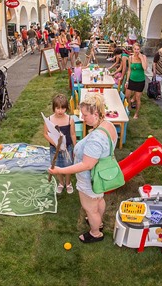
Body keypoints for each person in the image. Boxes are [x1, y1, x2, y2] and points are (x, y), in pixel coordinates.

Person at [48, 93, 117, 243]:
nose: (82, 118)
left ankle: (95, 232)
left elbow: (86, 165)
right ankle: (99, 222)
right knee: (99, 199)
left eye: (85, 115)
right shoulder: (108, 125)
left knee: (90, 208)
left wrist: (59, 171)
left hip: (89, 179)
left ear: (96, 113)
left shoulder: (96, 139)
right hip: (101, 176)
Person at [44, 94, 76, 194]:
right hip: (55, 148)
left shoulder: (70, 119)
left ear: (66, 108)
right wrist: (55, 143)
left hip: (68, 148)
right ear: (54, 108)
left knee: (68, 166)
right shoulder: (49, 120)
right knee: (56, 166)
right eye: (57, 108)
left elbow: (73, 134)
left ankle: (68, 183)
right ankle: (61, 183)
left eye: (63, 108)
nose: (60, 111)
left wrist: (75, 148)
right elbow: (45, 134)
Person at [125, 43, 148, 119]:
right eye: (135, 49)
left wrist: (141, 58)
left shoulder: (143, 57)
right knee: (127, 95)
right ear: (133, 50)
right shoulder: (130, 58)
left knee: (138, 98)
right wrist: (127, 81)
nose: (136, 51)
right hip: (131, 79)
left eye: (138, 49)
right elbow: (129, 70)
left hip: (140, 81)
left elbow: (145, 68)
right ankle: (129, 106)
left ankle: (136, 113)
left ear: (140, 49)